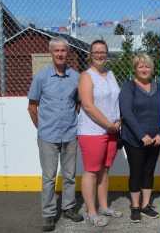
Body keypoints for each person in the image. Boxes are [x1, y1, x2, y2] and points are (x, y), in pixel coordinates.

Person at [27, 37, 84, 231]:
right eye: (56, 50)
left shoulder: (76, 77)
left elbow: (78, 104)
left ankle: (68, 208)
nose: (60, 54)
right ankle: (48, 214)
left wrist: (69, 122)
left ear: (68, 53)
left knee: (69, 175)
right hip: (48, 136)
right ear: (50, 53)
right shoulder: (40, 78)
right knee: (49, 177)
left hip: (69, 134)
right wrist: (42, 128)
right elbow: (32, 107)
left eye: (63, 51)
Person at [118, 53, 160, 223]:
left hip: (156, 140)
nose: (144, 69)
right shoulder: (129, 87)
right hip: (133, 139)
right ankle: (135, 206)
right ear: (135, 68)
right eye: (141, 66)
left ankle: (146, 205)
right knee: (137, 171)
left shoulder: (159, 87)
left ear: (152, 68)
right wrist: (142, 135)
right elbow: (127, 113)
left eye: (147, 66)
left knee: (149, 171)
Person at [77, 40, 122, 227]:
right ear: (90, 54)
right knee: (91, 171)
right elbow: (87, 106)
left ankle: (104, 206)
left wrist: (118, 121)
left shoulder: (110, 74)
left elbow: (115, 100)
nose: (99, 54)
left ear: (107, 53)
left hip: (111, 130)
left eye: (103, 51)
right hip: (92, 131)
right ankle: (91, 211)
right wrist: (108, 125)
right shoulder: (87, 76)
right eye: (96, 52)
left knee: (105, 169)